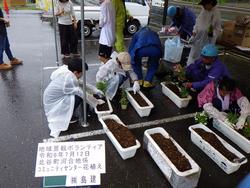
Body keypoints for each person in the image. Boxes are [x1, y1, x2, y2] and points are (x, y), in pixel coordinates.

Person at [43, 58, 105, 138]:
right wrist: (96, 102)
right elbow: (82, 93)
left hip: (51, 99)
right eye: (82, 73)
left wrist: (95, 90)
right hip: (54, 105)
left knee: (79, 92)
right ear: (76, 72)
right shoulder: (69, 79)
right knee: (78, 97)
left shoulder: (68, 71)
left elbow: (81, 83)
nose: (82, 75)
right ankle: (68, 117)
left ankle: (69, 112)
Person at [186, 0, 222, 65]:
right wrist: (194, 33)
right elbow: (197, 23)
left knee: (203, 59)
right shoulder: (204, 11)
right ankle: (190, 69)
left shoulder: (216, 13)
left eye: (204, 4)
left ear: (210, 3)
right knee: (193, 57)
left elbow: (218, 29)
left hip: (207, 41)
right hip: (198, 39)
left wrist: (210, 33)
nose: (203, 6)